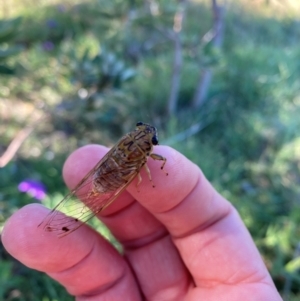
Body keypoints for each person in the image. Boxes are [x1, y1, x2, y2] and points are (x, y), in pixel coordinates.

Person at [2, 145, 283, 300]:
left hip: (110, 175)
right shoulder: (147, 156)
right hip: (112, 175)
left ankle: (64, 215)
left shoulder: (139, 152)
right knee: (85, 173)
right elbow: (148, 170)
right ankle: (62, 216)